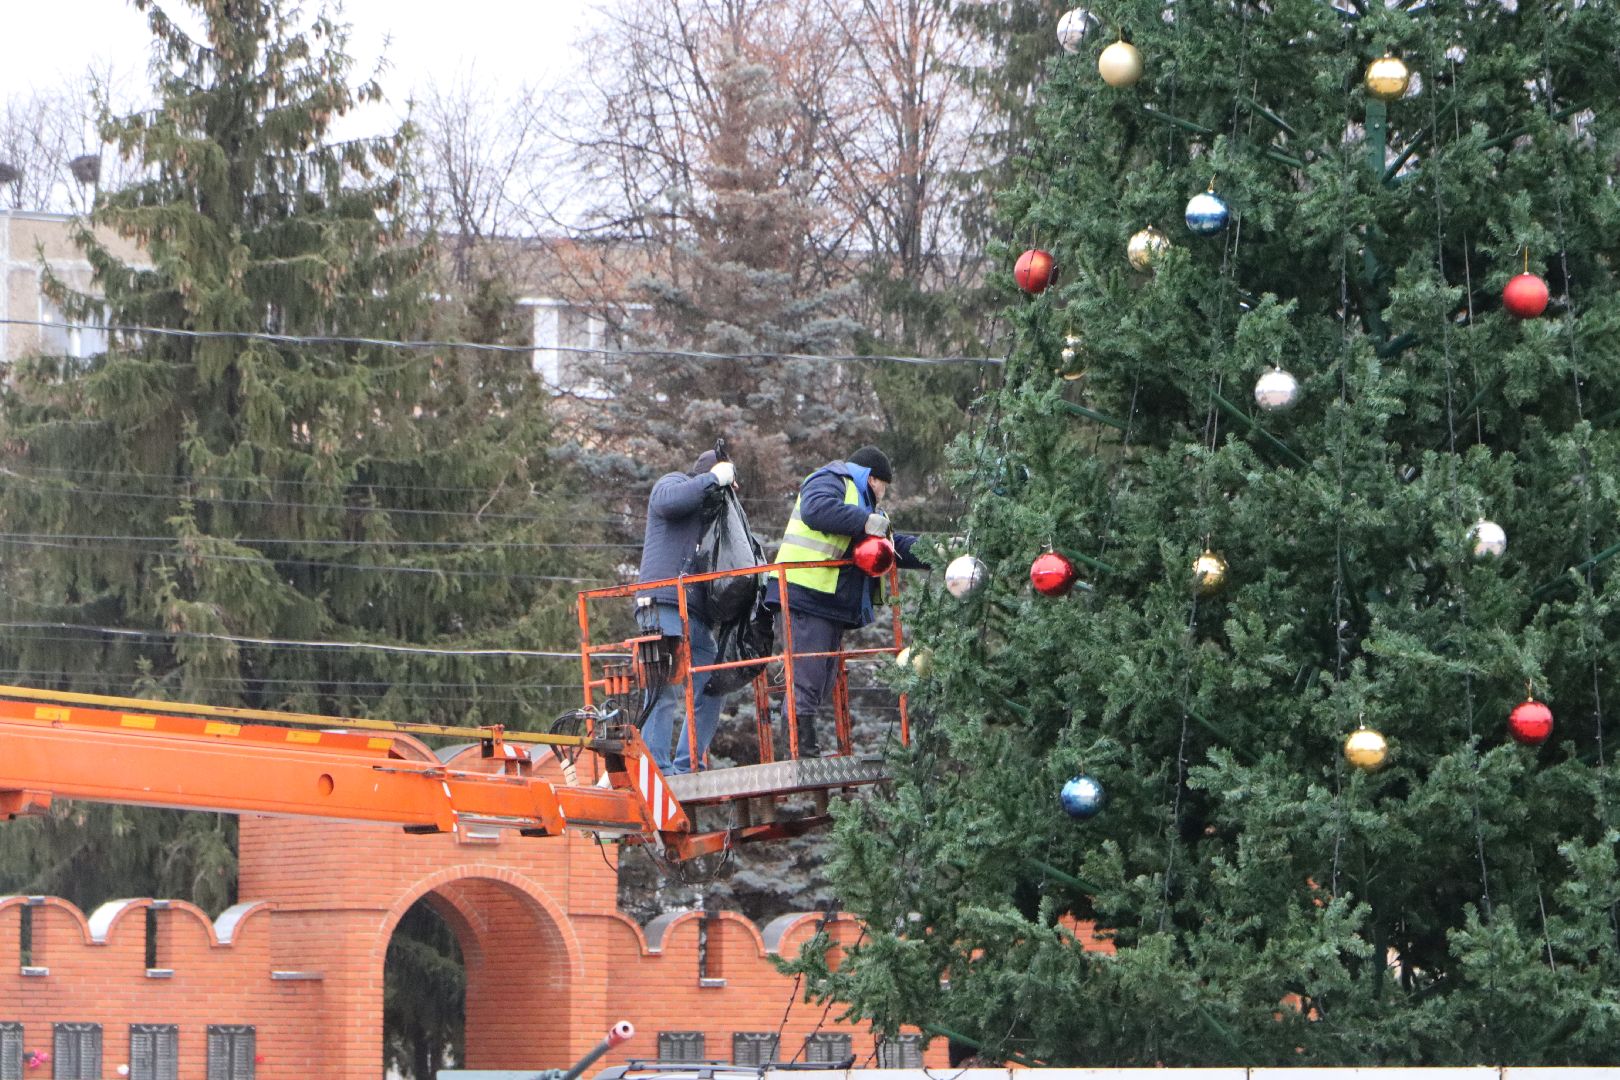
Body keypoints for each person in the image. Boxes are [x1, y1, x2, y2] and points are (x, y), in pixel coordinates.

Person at [766, 446, 926, 758]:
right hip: (805, 592)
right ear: (873, 479)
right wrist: (867, 521)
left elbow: (895, 547)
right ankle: (801, 750)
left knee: (822, 678)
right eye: (884, 488)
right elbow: (817, 510)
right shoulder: (832, 479)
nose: (883, 495)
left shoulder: (868, 510)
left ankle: (803, 744)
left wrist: (936, 551)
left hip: (828, 601)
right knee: (807, 673)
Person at [636, 448, 736, 774]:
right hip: (663, 604)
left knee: (713, 685)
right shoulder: (674, 483)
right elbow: (668, 501)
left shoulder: (711, 515)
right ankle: (660, 772)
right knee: (664, 690)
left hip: (696, 614)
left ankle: (688, 764)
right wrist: (713, 479)